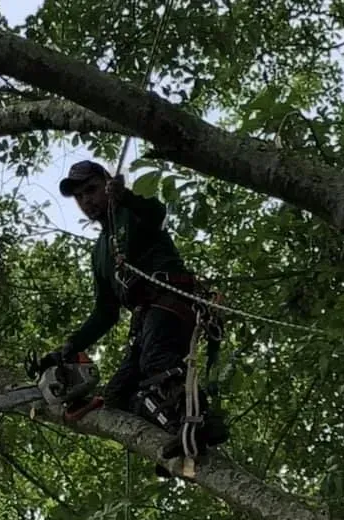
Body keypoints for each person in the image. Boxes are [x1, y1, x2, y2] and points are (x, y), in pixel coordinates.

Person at [42, 159, 227, 457]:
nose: (87, 200)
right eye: (79, 197)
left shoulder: (133, 212)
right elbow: (106, 312)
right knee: (118, 396)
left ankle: (197, 420)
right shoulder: (100, 252)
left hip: (171, 301)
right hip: (144, 320)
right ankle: (175, 434)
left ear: (108, 185)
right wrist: (69, 347)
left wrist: (124, 196)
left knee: (156, 360)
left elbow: (157, 212)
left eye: (91, 190)